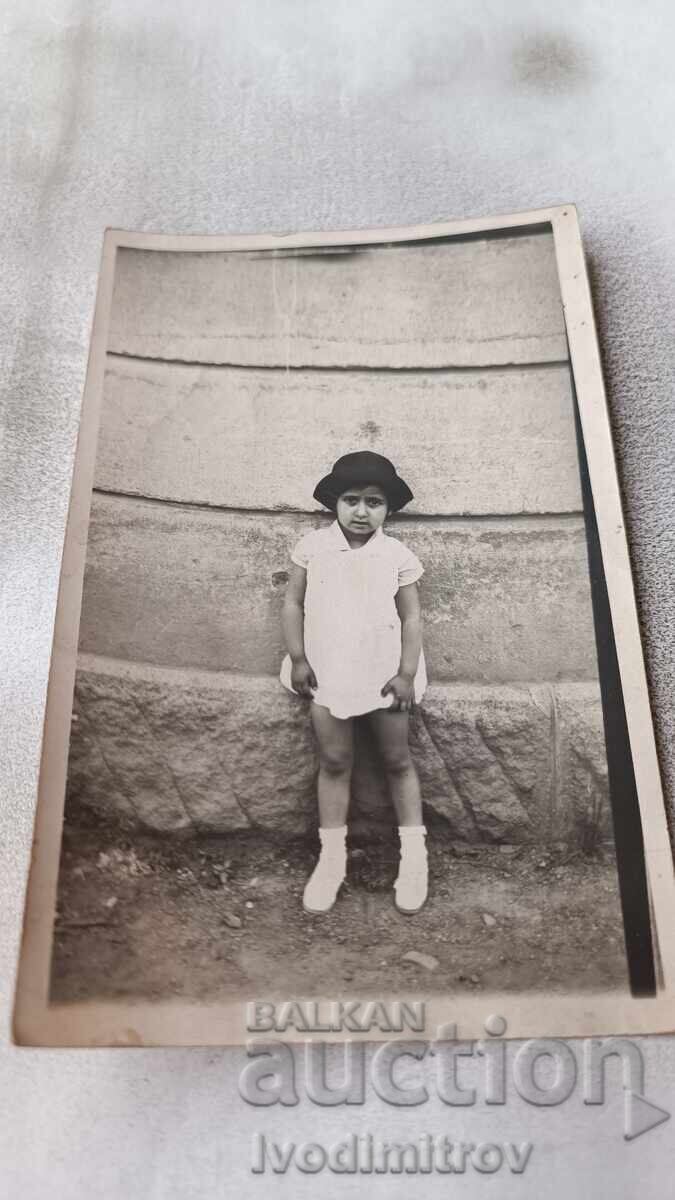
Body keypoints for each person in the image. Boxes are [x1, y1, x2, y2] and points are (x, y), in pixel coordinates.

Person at [280, 450, 428, 916]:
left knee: (397, 760)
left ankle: (414, 858)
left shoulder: (396, 555)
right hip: (327, 668)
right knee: (336, 759)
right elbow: (292, 604)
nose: (362, 511)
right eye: (351, 500)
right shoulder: (313, 547)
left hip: (384, 670)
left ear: (388, 509)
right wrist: (299, 659)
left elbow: (411, 616)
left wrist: (405, 673)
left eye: (374, 502)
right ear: (334, 502)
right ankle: (331, 860)